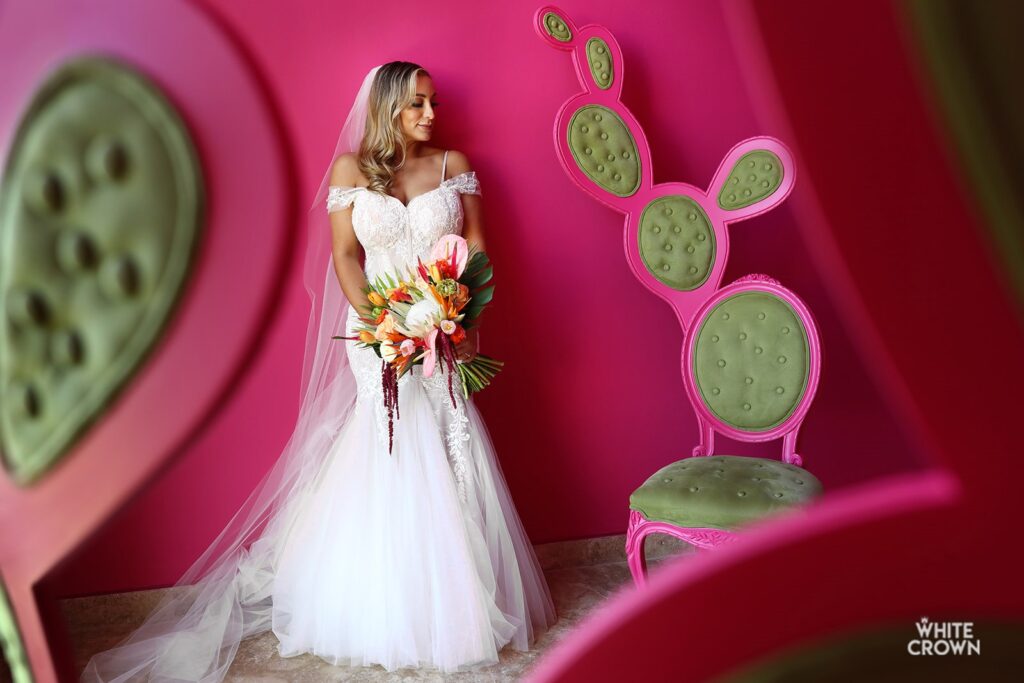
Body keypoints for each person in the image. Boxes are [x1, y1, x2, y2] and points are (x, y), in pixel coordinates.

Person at [80, 61, 556, 681]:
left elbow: (480, 246)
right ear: (386, 107)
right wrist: (385, 323)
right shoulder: (350, 172)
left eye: (433, 103)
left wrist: (459, 320)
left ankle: (461, 596)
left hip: (445, 326)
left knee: (448, 437)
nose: (431, 115)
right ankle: (387, 600)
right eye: (417, 104)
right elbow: (344, 255)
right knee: (390, 440)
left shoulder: (454, 166)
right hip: (378, 333)